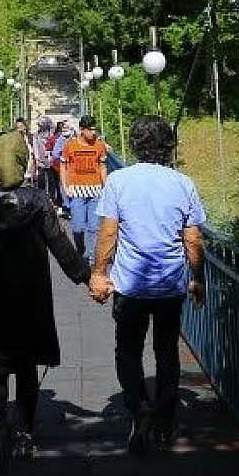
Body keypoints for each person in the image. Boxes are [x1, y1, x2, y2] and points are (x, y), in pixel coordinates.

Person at [0, 129, 91, 466]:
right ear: (22, 160)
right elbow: (60, 244)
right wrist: (86, 276)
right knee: (26, 366)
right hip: (30, 297)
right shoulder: (38, 200)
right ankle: (25, 433)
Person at [87, 115, 207, 456]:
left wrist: (99, 272)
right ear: (168, 146)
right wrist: (197, 278)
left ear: (137, 146)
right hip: (170, 284)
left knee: (127, 350)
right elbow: (193, 238)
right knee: (167, 351)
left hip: (130, 285)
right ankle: (165, 420)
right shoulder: (183, 183)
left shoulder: (119, 180)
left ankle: (138, 408)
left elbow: (109, 232)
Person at [58, 115, 109, 257]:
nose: (93, 132)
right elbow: (63, 165)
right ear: (82, 130)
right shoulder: (70, 145)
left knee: (94, 228)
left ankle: (92, 257)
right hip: (76, 191)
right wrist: (65, 186)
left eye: (94, 129)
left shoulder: (99, 145)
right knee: (78, 227)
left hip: (96, 191)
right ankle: (80, 250)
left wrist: (106, 188)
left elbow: (103, 167)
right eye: (90, 130)